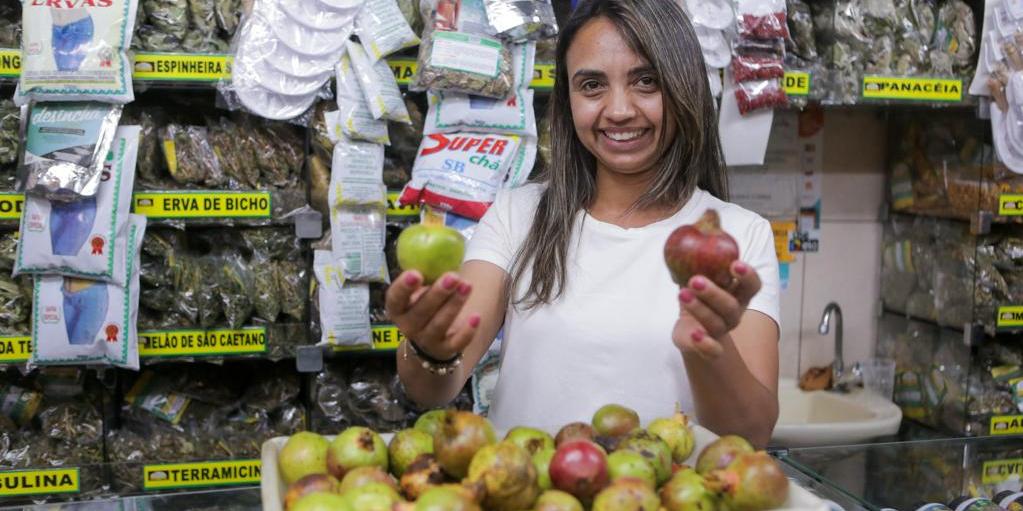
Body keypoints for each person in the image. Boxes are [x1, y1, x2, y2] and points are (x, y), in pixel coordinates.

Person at [388, 0, 781, 447]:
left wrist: (707, 348)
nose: (618, 110)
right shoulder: (518, 214)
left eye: (645, 81)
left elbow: (750, 435)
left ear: (683, 86)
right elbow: (432, 387)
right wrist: (427, 349)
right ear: (569, 100)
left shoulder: (740, 236)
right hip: (524, 489)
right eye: (592, 85)